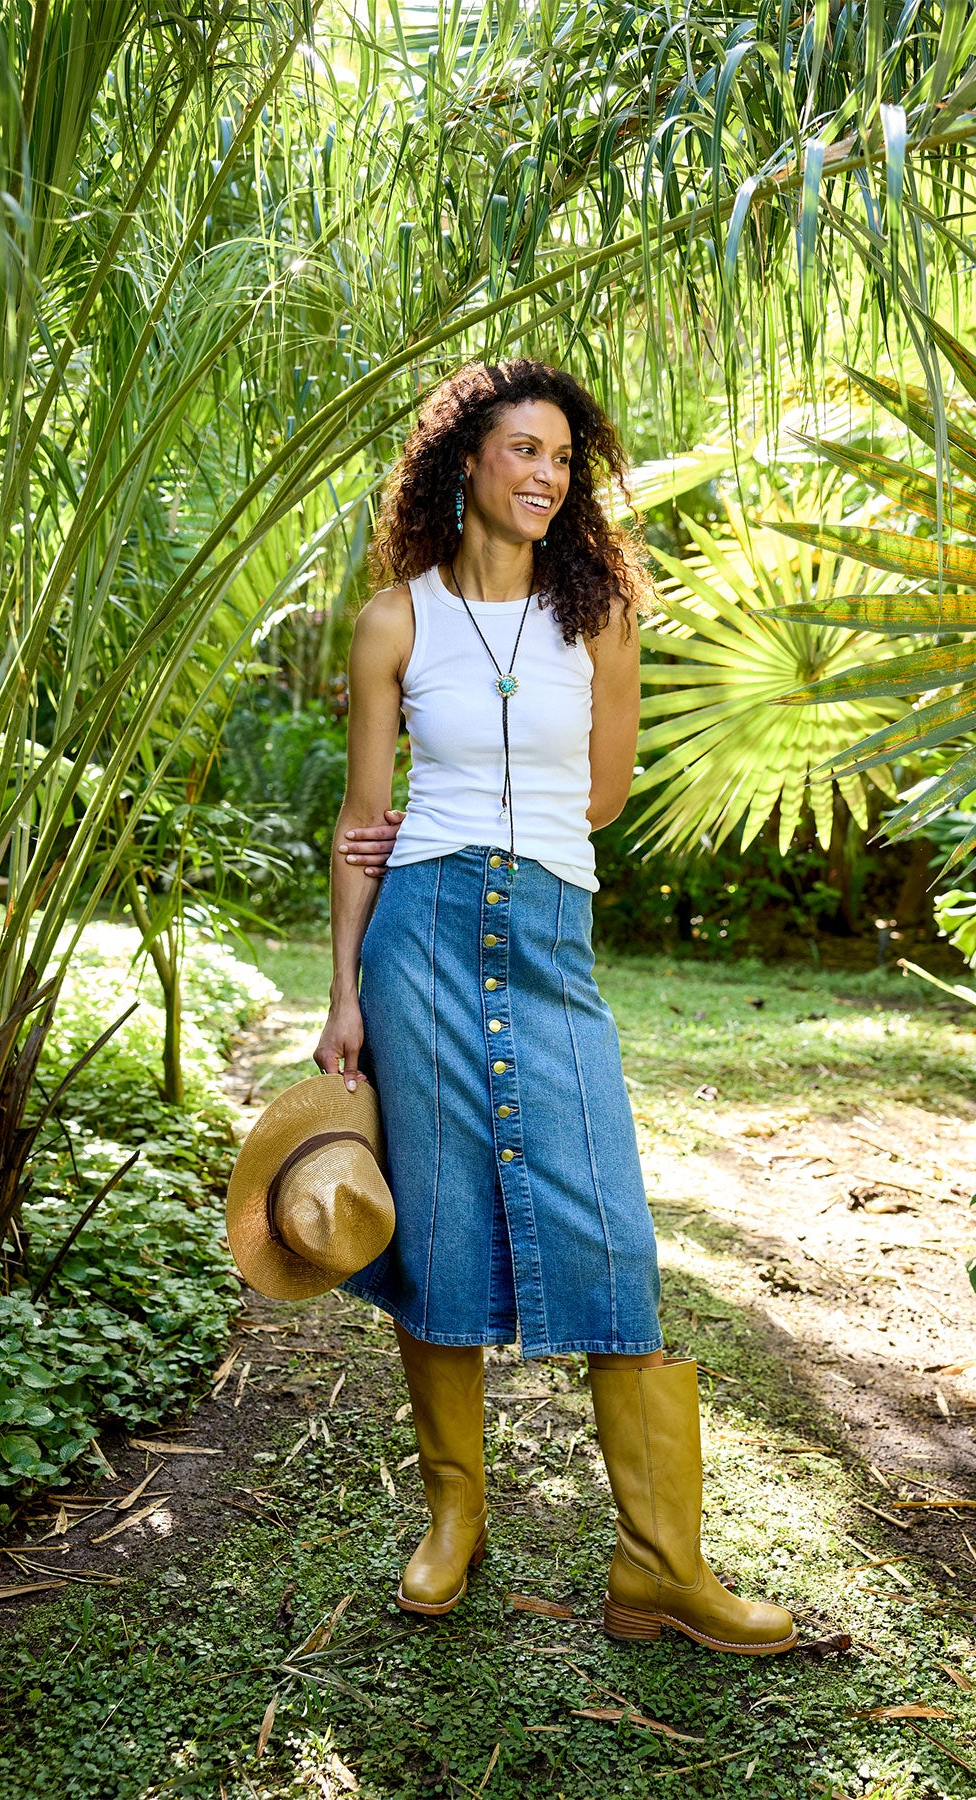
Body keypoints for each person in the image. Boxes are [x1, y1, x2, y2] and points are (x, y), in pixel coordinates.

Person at [313, 359, 796, 1654]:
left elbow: (602, 794)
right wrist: (344, 992)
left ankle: (660, 1564)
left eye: (564, 459)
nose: (546, 476)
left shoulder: (599, 616)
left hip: (547, 933)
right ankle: (454, 1517)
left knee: (611, 1228)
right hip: (417, 937)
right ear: (464, 459)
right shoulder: (395, 622)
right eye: (524, 450)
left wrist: (510, 839)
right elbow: (363, 820)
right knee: (438, 1226)